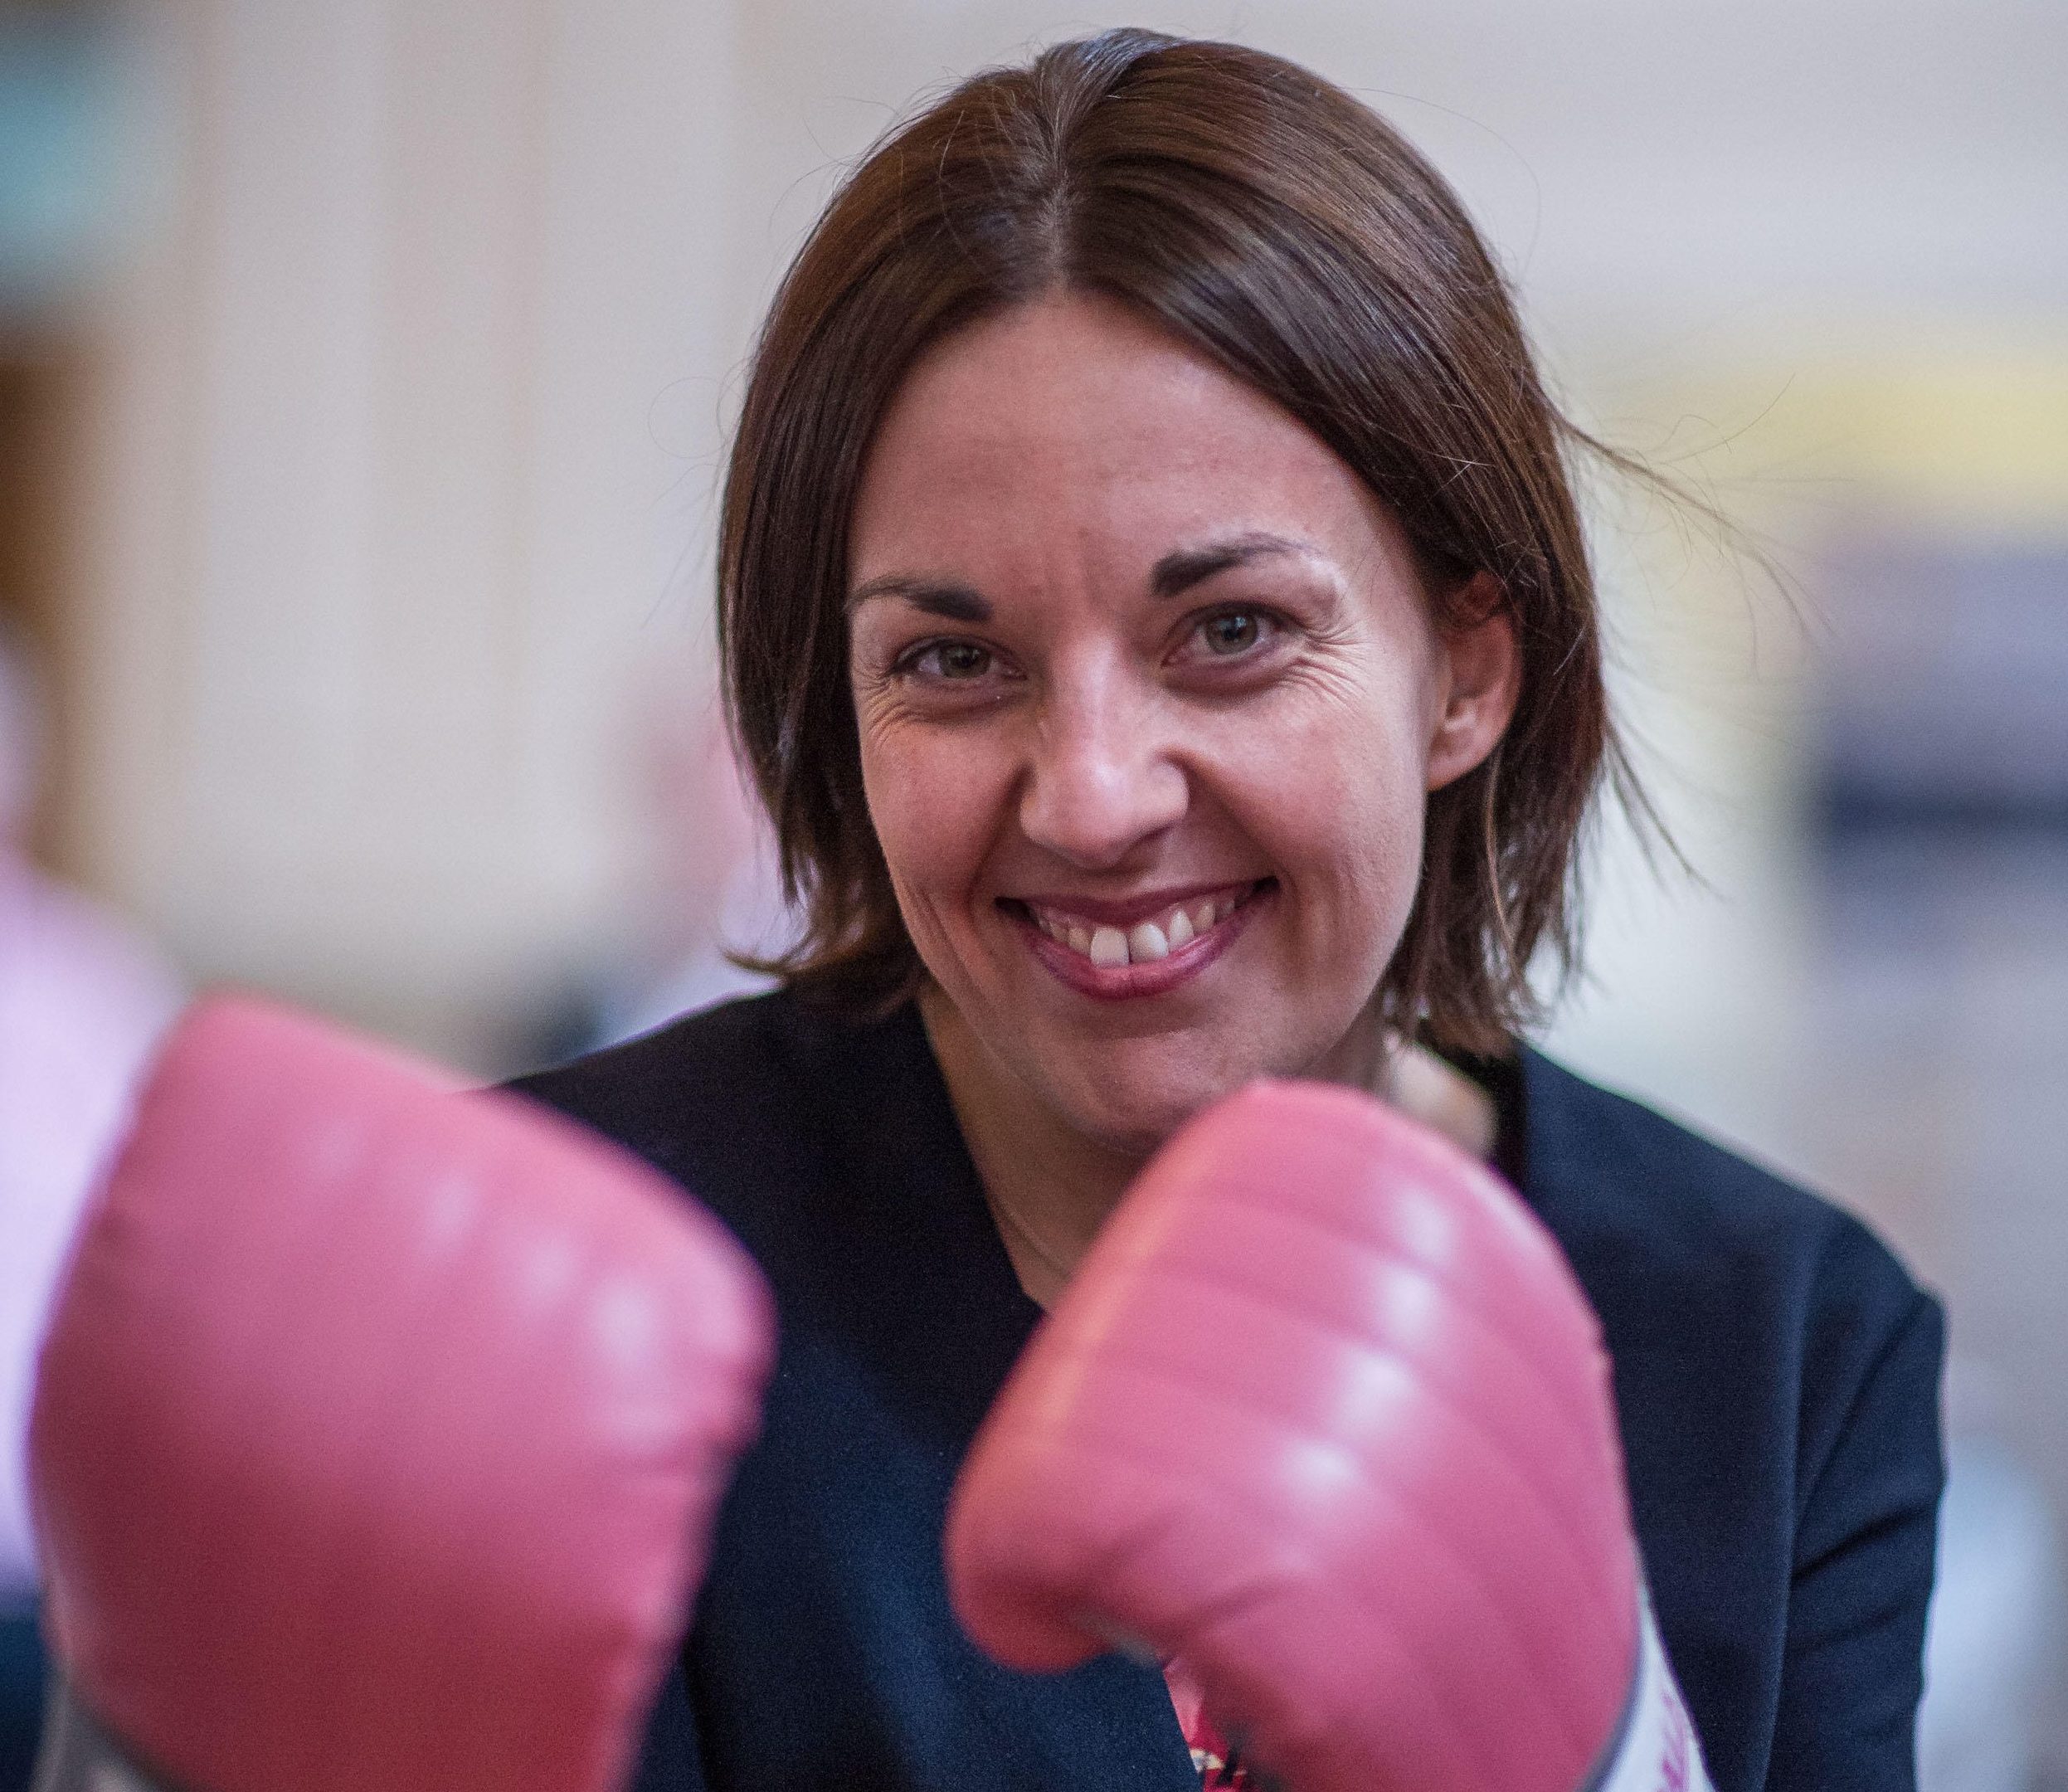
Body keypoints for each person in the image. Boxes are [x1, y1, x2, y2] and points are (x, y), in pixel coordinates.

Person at [515, 29, 1943, 1792]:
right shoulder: (567, 1287)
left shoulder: (1773, 1345)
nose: (1094, 795)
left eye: (1233, 633)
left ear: (1464, 672)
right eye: (952, 662)